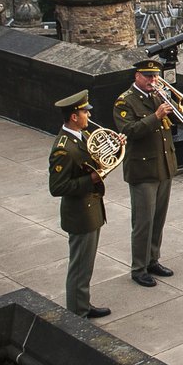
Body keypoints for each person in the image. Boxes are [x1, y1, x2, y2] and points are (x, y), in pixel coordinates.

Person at [113, 58, 177, 287]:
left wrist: (170, 109)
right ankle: (138, 267)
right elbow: (130, 131)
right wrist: (156, 115)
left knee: (158, 218)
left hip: (163, 165)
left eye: (155, 76)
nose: (153, 80)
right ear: (136, 76)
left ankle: (153, 259)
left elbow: (172, 127)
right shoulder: (125, 102)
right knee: (143, 221)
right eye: (148, 76)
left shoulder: (157, 95)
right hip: (143, 169)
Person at [48, 91, 111, 320]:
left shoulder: (81, 136)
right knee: (79, 267)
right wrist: (91, 180)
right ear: (74, 116)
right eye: (85, 111)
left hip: (91, 210)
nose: (88, 114)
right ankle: (77, 315)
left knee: (86, 265)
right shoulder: (64, 148)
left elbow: (92, 162)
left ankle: (82, 305)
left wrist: (113, 147)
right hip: (80, 214)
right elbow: (57, 187)